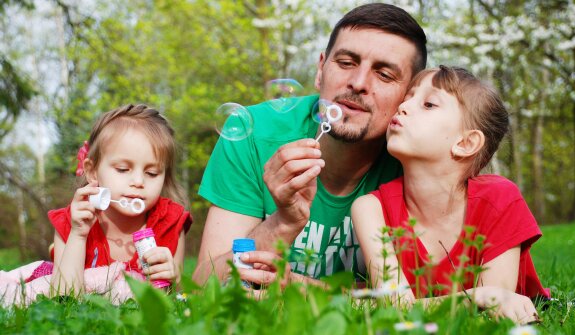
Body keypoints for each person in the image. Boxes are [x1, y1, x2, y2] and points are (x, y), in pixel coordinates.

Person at [193, 3, 427, 287]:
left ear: (409, 96)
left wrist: (302, 290)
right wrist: (284, 222)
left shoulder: (418, 159)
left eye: (384, 74)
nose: (358, 82)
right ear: (320, 70)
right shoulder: (251, 132)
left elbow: (418, 298)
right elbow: (204, 284)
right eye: (346, 63)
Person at [351, 66, 549, 324]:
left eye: (428, 104)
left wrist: (488, 297)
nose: (403, 106)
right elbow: (396, 306)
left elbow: (496, 310)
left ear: (465, 143)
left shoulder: (499, 199)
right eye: (407, 97)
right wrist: (477, 295)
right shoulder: (369, 208)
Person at [49, 104, 192, 295]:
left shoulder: (170, 223)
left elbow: (179, 301)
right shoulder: (71, 222)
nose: (139, 181)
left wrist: (175, 278)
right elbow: (62, 298)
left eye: (152, 173)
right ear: (92, 172)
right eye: (123, 169)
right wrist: (78, 235)